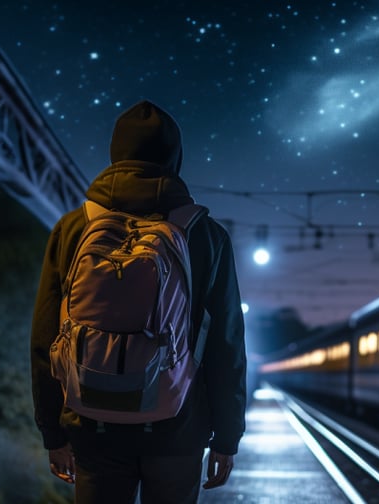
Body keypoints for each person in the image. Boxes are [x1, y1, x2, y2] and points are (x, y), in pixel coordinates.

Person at [30, 100, 247, 503]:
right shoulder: (206, 235)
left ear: (116, 154)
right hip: (179, 427)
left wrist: (53, 432)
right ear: (175, 159)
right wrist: (227, 436)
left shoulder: (74, 228)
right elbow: (226, 346)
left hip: (92, 424)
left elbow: (45, 337)